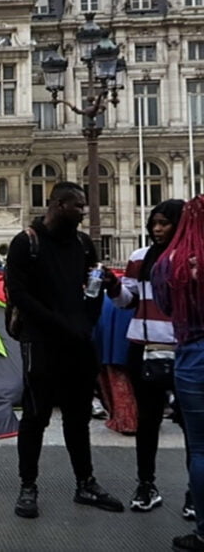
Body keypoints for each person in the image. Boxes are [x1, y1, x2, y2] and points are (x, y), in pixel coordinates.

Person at [6, 181, 123, 518]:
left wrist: (88, 320)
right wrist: (61, 323)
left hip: (77, 344)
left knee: (78, 417)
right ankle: (28, 485)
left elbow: (93, 288)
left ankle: (85, 482)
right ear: (58, 204)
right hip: (41, 343)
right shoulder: (26, 243)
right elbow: (19, 295)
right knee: (35, 417)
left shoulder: (84, 245)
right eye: (78, 206)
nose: (83, 212)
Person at [108, 199, 188, 513]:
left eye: (164, 223)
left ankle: (194, 492)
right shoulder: (139, 257)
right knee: (147, 422)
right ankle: (146, 484)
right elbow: (127, 302)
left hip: (184, 350)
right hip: (143, 348)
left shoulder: (193, 257)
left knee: (192, 425)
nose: (156, 229)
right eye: (154, 223)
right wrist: (113, 287)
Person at [152, 195, 204, 551]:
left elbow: (166, 305)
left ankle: (203, 531)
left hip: (193, 356)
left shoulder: (169, 263)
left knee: (199, 449)